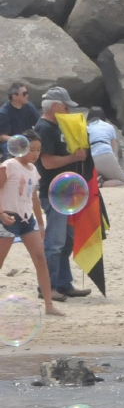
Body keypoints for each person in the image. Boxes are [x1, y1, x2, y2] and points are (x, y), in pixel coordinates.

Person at [34, 87, 90, 300]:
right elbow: (47, 162)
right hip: (54, 192)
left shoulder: (55, 127)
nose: (68, 111)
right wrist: (74, 158)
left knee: (66, 241)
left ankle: (63, 284)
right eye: (66, 107)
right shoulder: (45, 129)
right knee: (55, 242)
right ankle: (47, 288)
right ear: (56, 106)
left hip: (65, 191)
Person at [0, 132, 61, 317]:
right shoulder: (9, 165)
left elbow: (33, 196)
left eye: (38, 150)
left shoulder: (33, 169)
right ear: (20, 148)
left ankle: (49, 305)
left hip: (27, 221)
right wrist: (1, 213)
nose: (35, 153)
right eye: (31, 149)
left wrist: (41, 223)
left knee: (41, 260)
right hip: (8, 218)